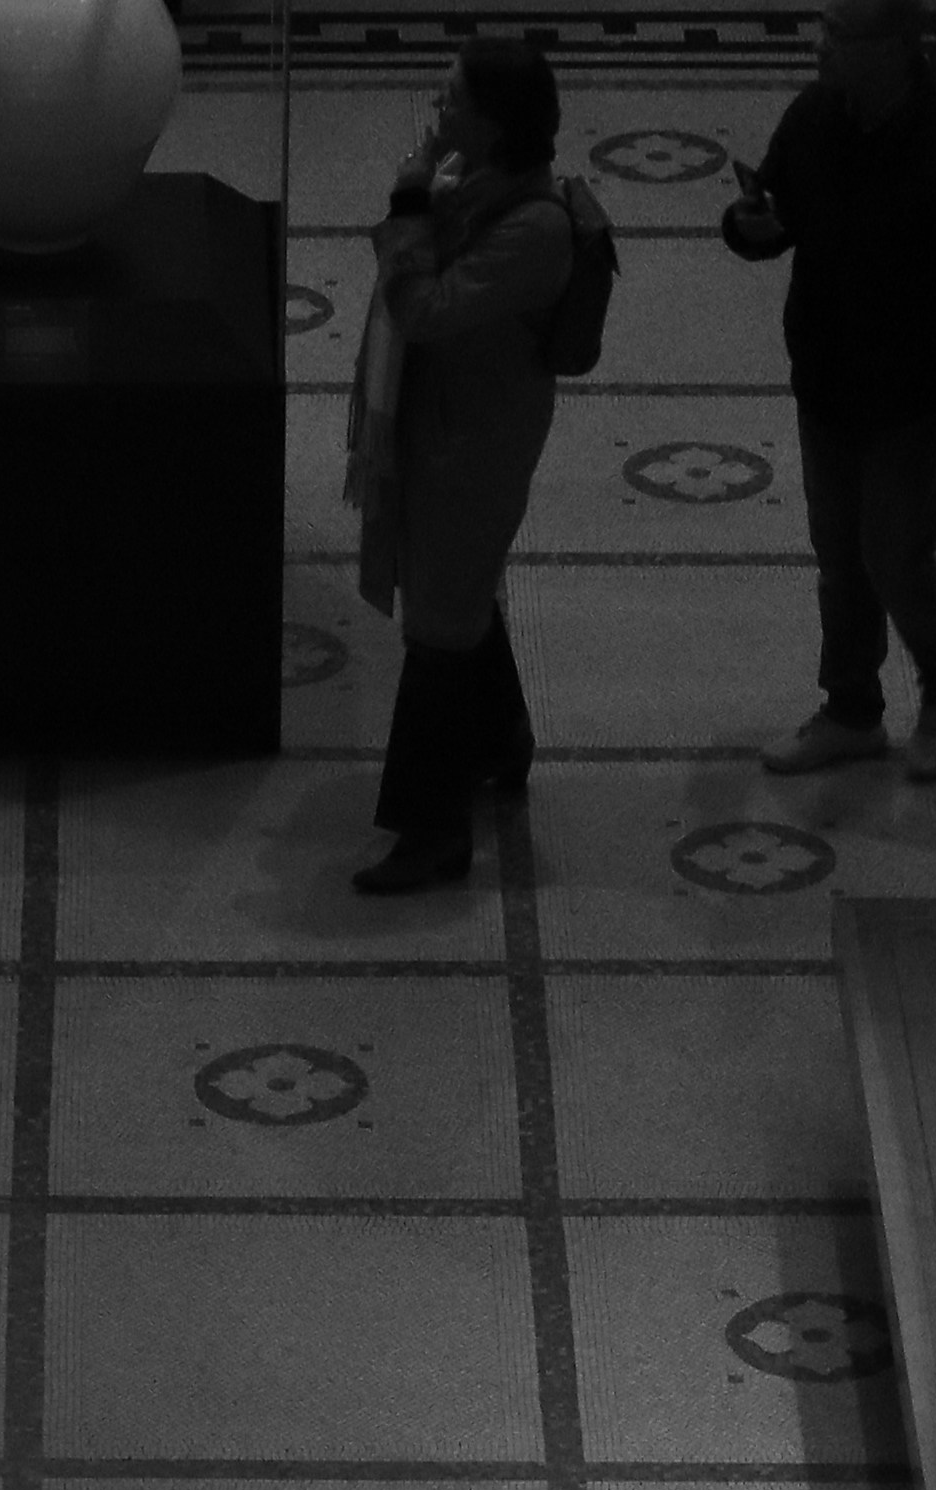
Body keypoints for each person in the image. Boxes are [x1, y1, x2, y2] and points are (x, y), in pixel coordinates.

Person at [720, 0, 936, 780]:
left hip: (910, 391)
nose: (821, 48)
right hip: (827, 376)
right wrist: (750, 226)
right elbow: (779, 212)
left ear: (893, 46)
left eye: (839, 35)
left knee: (894, 552)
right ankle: (851, 708)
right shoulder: (817, 116)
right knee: (839, 553)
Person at [344, 41, 576, 897]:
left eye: (450, 102)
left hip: (472, 446)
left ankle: (430, 830)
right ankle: (498, 742)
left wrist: (409, 207)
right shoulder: (482, 187)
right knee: (458, 596)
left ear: (495, 122)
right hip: (448, 427)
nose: (437, 115)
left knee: (438, 627)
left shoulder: (535, 227)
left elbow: (430, 310)